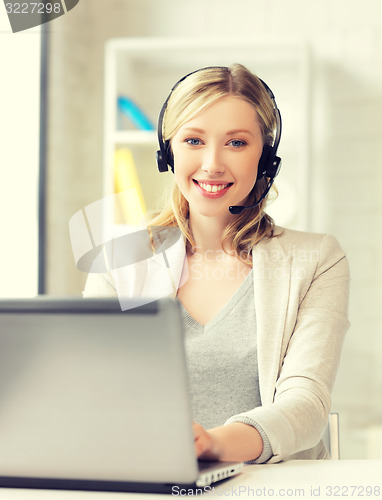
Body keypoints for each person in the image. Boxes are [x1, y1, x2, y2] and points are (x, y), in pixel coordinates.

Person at [83, 64, 350, 464]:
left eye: (236, 143)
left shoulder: (316, 260)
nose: (211, 163)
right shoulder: (121, 261)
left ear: (266, 158)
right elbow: (92, 390)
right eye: (193, 140)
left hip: (274, 486)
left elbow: (306, 405)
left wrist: (213, 445)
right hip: (152, 481)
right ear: (168, 150)